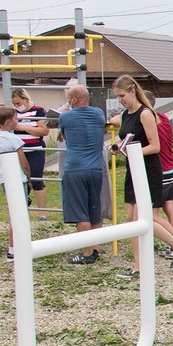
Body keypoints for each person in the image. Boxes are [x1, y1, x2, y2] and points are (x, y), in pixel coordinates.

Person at [109, 74, 173, 279]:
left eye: (122, 95)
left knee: (142, 218)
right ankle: (138, 265)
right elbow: (129, 140)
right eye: (117, 97)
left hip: (149, 169)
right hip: (133, 168)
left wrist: (131, 151)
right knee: (131, 219)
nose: (120, 100)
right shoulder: (126, 115)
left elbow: (155, 146)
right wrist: (119, 149)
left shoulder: (146, 114)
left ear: (132, 91)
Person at [58, 85, 106, 264]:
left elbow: (63, 134)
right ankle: (95, 248)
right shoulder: (99, 114)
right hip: (95, 169)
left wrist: (64, 110)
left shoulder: (66, 116)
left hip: (75, 169)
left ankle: (86, 253)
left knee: (80, 212)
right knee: (94, 210)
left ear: (73, 100)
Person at [144, 90, 173, 257]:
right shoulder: (164, 117)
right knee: (170, 208)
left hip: (161, 171)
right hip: (172, 168)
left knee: (151, 215)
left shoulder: (148, 121)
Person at [0, 105, 32, 262]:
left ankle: (15, 248)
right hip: (18, 179)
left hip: (4, 179)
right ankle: (14, 249)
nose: (17, 121)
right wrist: (29, 179)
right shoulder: (13, 139)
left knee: (15, 213)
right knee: (19, 215)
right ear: (8, 121)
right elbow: (24, 163)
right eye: (15, 118)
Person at [11, 88, 49, 219]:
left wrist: (24, 128)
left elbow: (44, 131)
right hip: (19, 150)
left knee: (36, 180)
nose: (17, 106)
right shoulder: (13, 113)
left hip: (35, 149)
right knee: (20, 181)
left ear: (25, 99)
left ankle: (42, 213)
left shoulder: (38, 110)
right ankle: (21, 211)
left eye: (18, 103)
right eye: (14, 104)